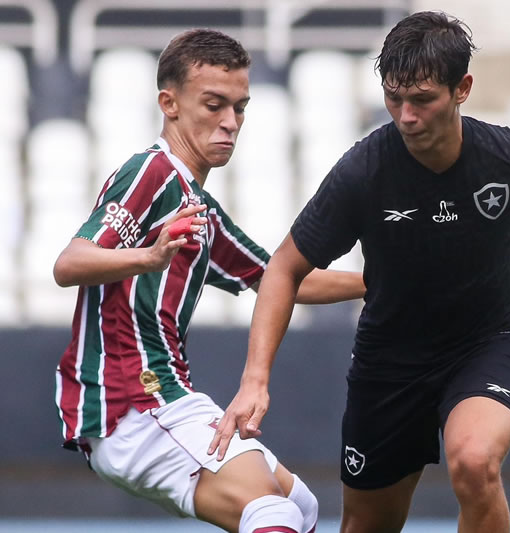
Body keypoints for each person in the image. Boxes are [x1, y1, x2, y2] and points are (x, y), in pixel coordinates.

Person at [210, 11, 510, 533]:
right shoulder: (364, 172)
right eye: (394, 99)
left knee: (475, 463)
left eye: (422, 100)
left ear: (462, 88)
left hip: (487, 342)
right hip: (389, 360)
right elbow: (284, 269)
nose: (406, 116)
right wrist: (256, 380)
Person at [53, 29, 365, 533]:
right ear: (169, 104)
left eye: (240, 108)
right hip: (134, 400)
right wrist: (147, 256)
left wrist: (380, 282)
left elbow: (282, 282)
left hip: (168, 397)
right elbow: (69, 263)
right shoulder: (150, 172)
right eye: (214, 104)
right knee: (272, 511)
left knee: (301, 508)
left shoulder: (200, 209)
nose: (230, 122)